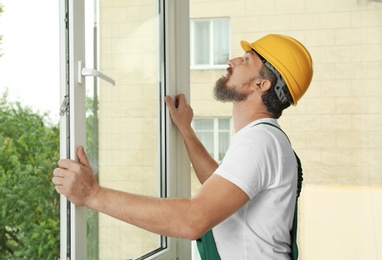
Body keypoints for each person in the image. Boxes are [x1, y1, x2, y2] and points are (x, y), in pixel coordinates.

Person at [52, 34, 313, 259]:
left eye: (246, 60)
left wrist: (92, 193)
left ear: (261, 84)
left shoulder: (260, 142)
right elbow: (219, 188)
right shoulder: (266, 139)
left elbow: (193, 220)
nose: (232, 61)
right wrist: (186, 130)